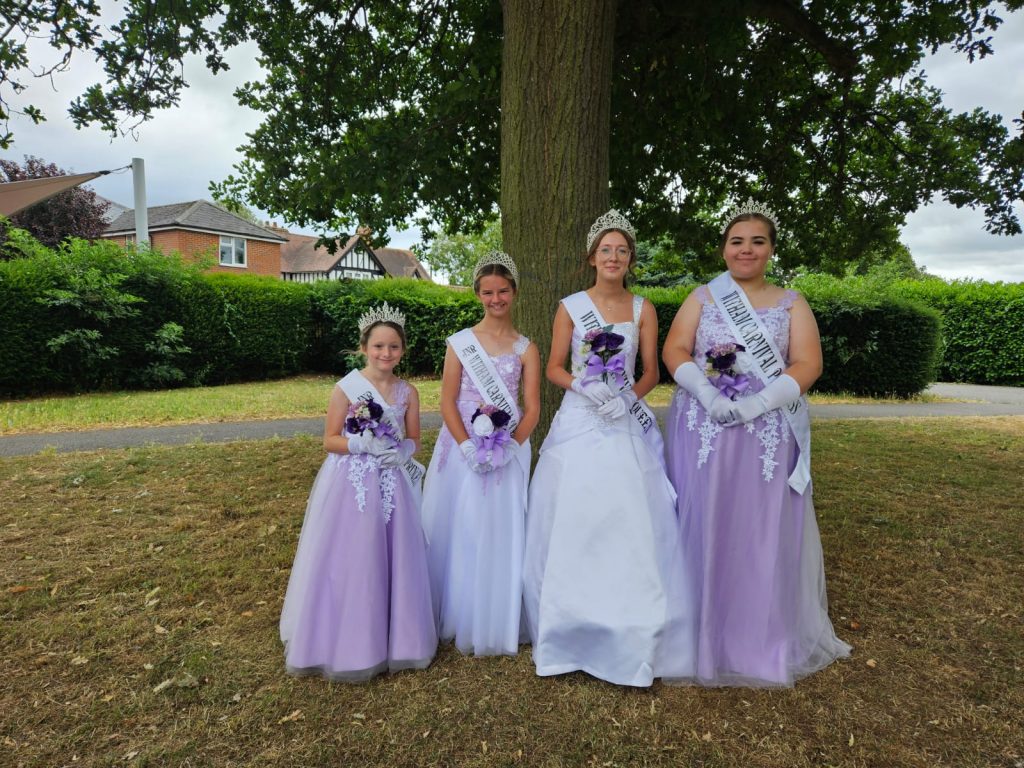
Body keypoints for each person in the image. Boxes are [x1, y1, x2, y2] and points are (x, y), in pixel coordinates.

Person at [662, 199, 851, 687]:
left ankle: (755, 638)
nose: (746, 250)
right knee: (704, 523)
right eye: (736, 241)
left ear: (770, 249)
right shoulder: (703, 296)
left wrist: (754, 404)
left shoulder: (793, 302)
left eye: (757, 241)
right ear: (724, 249)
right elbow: (674, 348)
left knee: (757, 528)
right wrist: (706, 392)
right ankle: (699, 636)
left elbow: (807, 364)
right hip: (704, 428)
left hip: (764, 433)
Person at [522, 210, 693, 687]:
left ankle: (629, 623)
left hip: (622, 420)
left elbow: (652, 373)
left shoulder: (644, 308)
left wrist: (625, 399)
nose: (613, 257)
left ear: (630, 258)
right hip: (579, 418)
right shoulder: (570, 306)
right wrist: (582, 386)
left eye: (621, 250)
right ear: (592, 258)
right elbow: (555, 366)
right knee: (576, 517)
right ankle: (568, 625)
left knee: (628, 518)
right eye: (605, 250)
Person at [280, 303, 436, 681]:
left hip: (391, 480)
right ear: (364, 347)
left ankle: (400, 640)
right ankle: (346, 639)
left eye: (394, 347)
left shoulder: (408, 392)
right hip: (351, 481)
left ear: (403, 349)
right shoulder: (346, 388)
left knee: (395, 555)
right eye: (379, 346)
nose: (386, 354)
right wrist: (360, 445)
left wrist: (400, 451)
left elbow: (414, 439)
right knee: (354, 555)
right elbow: (329, 440)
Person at [420, 252, 541, 656]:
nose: (496, 298)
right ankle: (459, 608)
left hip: (507, 449)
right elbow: (448, 401)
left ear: (515, 292)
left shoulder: (526, 348)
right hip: (461, 448)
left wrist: (511, 448)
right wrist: (468, 445)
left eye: (503, 290)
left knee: (499, 526)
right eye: (488, 292)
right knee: (462, 526)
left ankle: (494, 612)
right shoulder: (460, 343)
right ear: (477, 294)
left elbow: (533, 407)